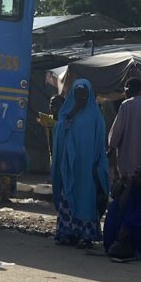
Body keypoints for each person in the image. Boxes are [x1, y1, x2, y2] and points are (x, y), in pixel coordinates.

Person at [52, 78, 110, 249]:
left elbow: (100, 144)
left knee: (86, 200)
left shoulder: (96, 117)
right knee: (67, 196)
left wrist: (98, 165)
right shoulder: (66, 114)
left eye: (84, 94)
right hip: (70, 167)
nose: (81, 97)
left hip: (88, 168)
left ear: (89, 95)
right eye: (77, 94)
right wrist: (73, 111)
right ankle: (67, 233)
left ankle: (86, 235)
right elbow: (60, 133)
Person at [36, 94, 64, 165]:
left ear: (63, 106)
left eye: (57, 104)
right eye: (51, 103)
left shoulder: (66, 122)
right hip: (52, 158)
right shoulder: (47, 120)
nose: (53, 106)